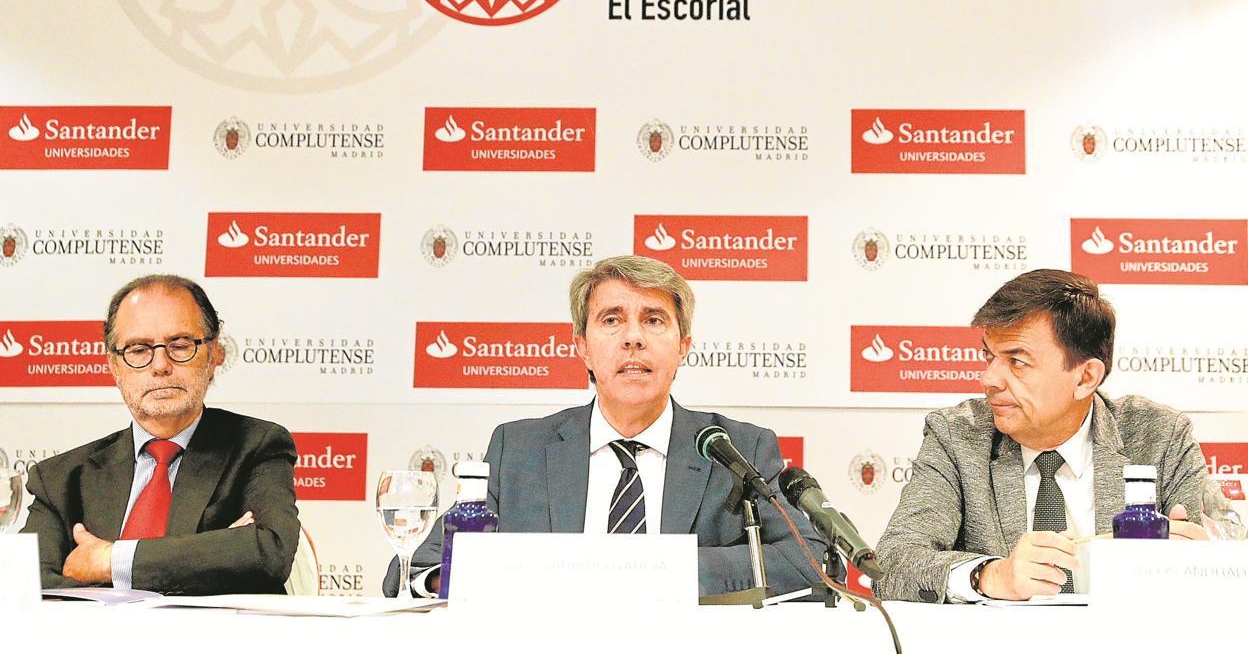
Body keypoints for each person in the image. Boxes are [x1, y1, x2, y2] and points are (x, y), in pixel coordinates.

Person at [385, 255, 826, 598]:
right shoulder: (518, 449)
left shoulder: (737, 448)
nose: (633, 337)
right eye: (611, 320)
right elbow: (415, 570)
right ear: (583, 348)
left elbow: (811, 564)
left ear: (683, 346)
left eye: (654, 320)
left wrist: (661, 571)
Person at [875, 269, 1208, 603]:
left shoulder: (1160, 437)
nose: (988, 378)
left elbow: (1224, 544)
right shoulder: (958, 436)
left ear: (1085, 378)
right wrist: (989, 575)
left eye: (1017, 361)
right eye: (989, 356)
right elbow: (890, 565)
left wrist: (1198, 557)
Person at [21, 274, 300, 595]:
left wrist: (110, 561)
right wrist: (212, 553)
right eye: (139, 350)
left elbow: (268, 552)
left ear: (213, 356)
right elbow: (28, 586)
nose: (160, 365)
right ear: (113, 366)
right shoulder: (61, 478)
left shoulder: (256, 445)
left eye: (180, 345)